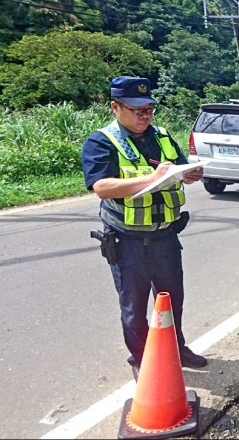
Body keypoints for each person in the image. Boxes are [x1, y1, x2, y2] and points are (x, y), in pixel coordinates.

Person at [82, 76, 207, 380]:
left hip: (165, 235)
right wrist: (152, 179)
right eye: (137, 110)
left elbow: (178, 166)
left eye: (149, 109)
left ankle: (178, 348)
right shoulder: (101, 141)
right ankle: (141, 360)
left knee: (171, 300)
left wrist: (190, 173)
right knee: (134, 309)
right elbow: (102, 186)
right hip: (128, 242)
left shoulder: (162, 136)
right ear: (115, 107)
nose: (145, 116)